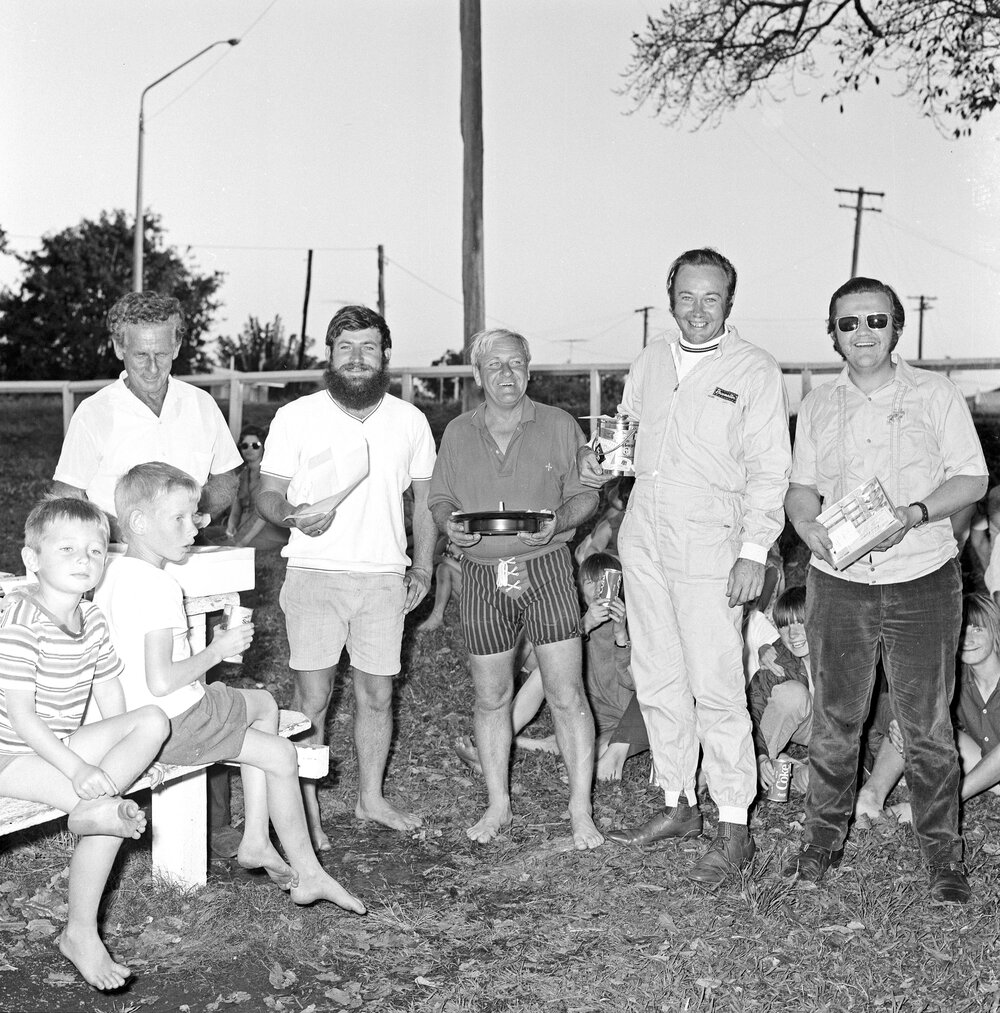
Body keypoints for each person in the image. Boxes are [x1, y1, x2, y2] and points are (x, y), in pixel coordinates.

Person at [581, 248, 791, 885]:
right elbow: (628, 436)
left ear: (730, 303)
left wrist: (754, 551)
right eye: (687, 298)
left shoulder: (754, 369)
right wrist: (600, 461)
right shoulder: (649, 360)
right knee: (657, 671)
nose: (698, 311)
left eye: (712, 299)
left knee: (716, 681)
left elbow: (770, 470)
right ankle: (678, 801)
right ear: (669, 298)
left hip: (711, 535)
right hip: (643, 524)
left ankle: (734, 823)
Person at [782, 276, 988, 904]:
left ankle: (943, 857)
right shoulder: (818, 403)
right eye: (848, 323)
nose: (863, 333)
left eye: (875, 320)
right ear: (834, 334)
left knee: (925, 724)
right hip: (838, 581)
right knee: (835, 719)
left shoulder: (935, 393)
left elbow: (973, 478)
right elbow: (801, 485)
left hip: (922, 579)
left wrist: (916, 514)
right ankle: (821, 842)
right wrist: (804, 523)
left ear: (896, 327)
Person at [95, 463, 365, 915]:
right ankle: (307, 872)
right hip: (173, 722)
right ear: (138, 523)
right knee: (280, 753)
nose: (193, 528)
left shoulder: (116, 576)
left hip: (143, 718)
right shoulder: (157, 586)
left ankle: (257, 837)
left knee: (263, 705)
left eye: (195, 516)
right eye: (179, 518)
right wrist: (218, 650)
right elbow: (162, 678)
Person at [256, 305, 437, 847]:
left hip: (383, 578)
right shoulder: (296, 416)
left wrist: (423, 565)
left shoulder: (410, 421)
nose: (357, 359)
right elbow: (266, 491)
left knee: (377, 695)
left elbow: (426, 501)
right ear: (329, 355)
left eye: (368, 347)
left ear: (385, 355)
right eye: (345, 347)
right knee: (312, 698)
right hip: (314, 574)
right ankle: (304, 811)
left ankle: (370, 798)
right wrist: (291, 515)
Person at [428, 328, 602, 849]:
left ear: (529, 369)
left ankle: (580, 812)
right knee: (491, 695)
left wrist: (558, 523)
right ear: (477, 376)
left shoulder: (558, 424)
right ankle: (498, 803)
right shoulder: (458, 432)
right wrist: (448, 525)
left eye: (516, 364)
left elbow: (584, 498)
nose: (506, 375)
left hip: (546, 567)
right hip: (481, 574)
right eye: (494, 366)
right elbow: (440, 499)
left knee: (566, 693)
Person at [0, 497, 169, 990]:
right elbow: (22, 717)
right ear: (33, 560)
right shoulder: (20, 624)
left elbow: (108, 689)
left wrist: (125, 761)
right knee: (108, 812)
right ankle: (80, 934)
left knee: (153, 720)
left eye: (95, 551)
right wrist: (78, 770)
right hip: (10, 754)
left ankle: (95, 807)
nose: (83, 560)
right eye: (68, 549)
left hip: (60, 742)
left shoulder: (91, 618)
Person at [52, 291, 242, 538]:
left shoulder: (202, 404)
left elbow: (227, 477)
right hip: (119, 553)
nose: (152, 368)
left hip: (190, 546)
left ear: (176, 347)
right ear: (119, 348)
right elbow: (65, 496)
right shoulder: (93, 413)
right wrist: (120, 530)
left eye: (161, 354)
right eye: (141, 355)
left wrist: (197, 505)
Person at [453, 551, 650, 782]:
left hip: (629, 719)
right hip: (592, 716)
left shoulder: (634, 622)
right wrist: (584, 625)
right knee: (543, 673)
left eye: (604, 581)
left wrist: (621, 636)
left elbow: (637, 686)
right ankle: (499, 744)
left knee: (613, 735)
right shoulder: (574, 621)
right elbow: (542, 660)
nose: (598, 589)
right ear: (578, 586)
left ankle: (606, 763)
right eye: (589, 581)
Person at [855, 593, 1000, 825]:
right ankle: (870, 796)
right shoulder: (957, 677)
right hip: (983, 761)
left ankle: (941, 803)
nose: (968, 639)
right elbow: (888, 701)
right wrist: (897, 719)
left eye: (978, 630)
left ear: (996, 633)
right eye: (962, 631)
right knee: (912, 714)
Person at [750, 586, 812, 797]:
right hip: (807, 726)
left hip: (836, 731)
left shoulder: (840, 649)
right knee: (792, 694)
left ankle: (790, 771)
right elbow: (754, 707)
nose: (793, 634)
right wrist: (759, 755)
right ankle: (761, 768)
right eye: (785, 626)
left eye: (801, 623)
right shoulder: (778, 657)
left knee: (824, 781)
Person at [220, 425, 288, 549]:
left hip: (266, 528)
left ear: (263, 447)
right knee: (207, 535)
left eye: (255, 445)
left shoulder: (270, 473)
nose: (249, 449)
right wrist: (231, 525)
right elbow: (237, 506)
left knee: (219, 545)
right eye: (245, 445)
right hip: (244, 524)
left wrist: (240, 541)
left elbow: (263, 514)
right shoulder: (243, 474)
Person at [415, 537, 464, 633]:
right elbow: (432, 560)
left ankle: (437, 617)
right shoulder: (446, 541)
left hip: (478, 589)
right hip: (461, 591)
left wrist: (443, 559)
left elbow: (470, 572)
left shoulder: (474, 540)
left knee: (444, 568)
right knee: (442, 569)